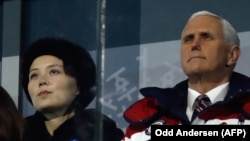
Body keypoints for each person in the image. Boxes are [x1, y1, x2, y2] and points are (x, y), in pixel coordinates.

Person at [122, 10, 250, 140]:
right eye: (188, 39)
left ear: (232, 55)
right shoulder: (147, 115)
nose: (194, 45)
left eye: (206, 37)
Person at [21, 37, 124, 141]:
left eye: (54, 72)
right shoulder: (16, 133)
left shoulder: (100, 132)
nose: (42, 81)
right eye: (34, 75)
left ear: (78, 85)